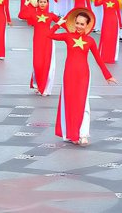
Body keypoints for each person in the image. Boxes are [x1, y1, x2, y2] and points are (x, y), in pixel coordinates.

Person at [50, 9, 118, 145]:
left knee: (83, 103)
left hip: (83, 76)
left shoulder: (90, 41)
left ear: (87, 25)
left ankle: (83, 133)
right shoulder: (67, 36)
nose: (79, 26)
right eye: (77, 23)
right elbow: (48, 35)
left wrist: (108, 75)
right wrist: (58, 24)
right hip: (68, 75)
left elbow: (98, 59)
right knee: (69, 103)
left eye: (82, 24)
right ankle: (71, 134)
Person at [25, 0, 60, 95]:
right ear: (38, 3)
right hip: (37, 42)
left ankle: (44, 87)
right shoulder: (34, 14)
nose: (42, 4)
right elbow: (21, 15)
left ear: (48, 3)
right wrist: (26, 5)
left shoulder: (51, 15)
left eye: (44, 2)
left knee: (46, 65)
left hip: (48, 41)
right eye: (41, 2)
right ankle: (39, 84)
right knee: (37, 64)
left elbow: (64, 24)